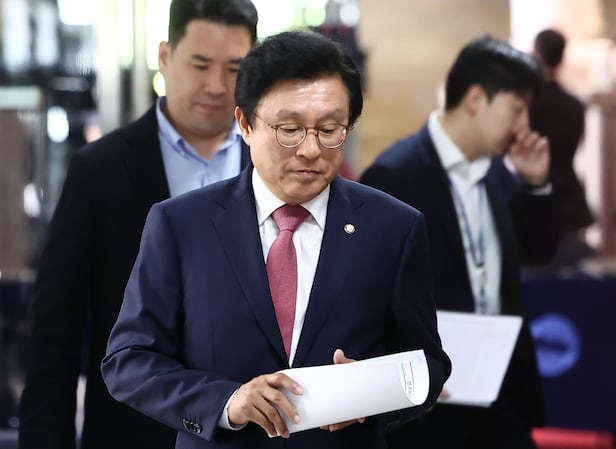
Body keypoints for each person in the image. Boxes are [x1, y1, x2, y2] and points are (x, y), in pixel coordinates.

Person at [101, 29, 451, 449]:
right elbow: (129, 360)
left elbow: (429, 364)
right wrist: (225, 402)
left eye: (330, 129)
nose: (310, 149)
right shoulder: (181, 225)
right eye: (290, 129)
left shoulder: (393, 228)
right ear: (245, 124)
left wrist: (373, 393)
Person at [18, 1, 258, 448]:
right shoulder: (100, 171)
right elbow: (56, 329)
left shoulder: (273, 166)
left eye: (234, 69)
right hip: (133, 428)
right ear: (165, 57)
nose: (216, 85)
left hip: (250, 433)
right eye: (200, 65)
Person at [360, 35, 558, 449]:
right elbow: (372, 296)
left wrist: (536, 184)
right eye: (517, 109)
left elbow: (540, 250)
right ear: (476, 98)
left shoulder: (498, 172)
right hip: (433, 403)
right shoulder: (396, 175)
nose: (523, 125)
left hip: (499, 392)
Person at [530, 28, 595, 270]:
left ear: (536, 54)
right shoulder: (575, 105)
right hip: (570, 199)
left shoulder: (527, 105)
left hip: (534, 199)